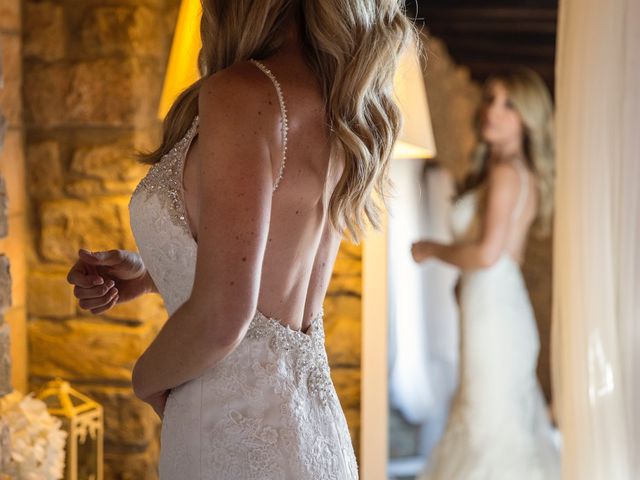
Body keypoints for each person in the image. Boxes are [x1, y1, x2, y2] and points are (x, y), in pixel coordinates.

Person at [66, 1, 419, 478]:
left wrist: (144, 379)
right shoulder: (339, 98)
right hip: (314, 435)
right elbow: (265, 282)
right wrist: (155, 274)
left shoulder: (242, 93)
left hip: (231, 436)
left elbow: (224, 317)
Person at [411, 67, 561, 479]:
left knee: (488, 425)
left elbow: (488, 255)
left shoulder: (507, 173)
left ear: (527, 118)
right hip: (494, 309)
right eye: (490, 99)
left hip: (495, 314)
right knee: (489, 418)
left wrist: (431, 249)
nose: (491, 110)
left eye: (508, 104)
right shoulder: (512, 171)